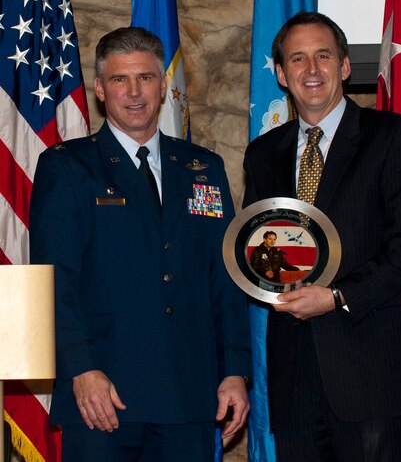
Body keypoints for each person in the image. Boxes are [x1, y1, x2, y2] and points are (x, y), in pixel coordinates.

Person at [30, 26, 251, 462]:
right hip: (104, 396)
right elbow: (56, 280)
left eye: (145, 78)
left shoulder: (203, 168)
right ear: (99, 89)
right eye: (119, 79)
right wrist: (81, 369)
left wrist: (235, 371)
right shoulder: (69, 168)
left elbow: (225, 280)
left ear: (164, 85)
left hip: (189, 394)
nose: (134, 92)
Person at [243, 11, 401, 462]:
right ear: (280, 73)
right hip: (295, 379)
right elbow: (258, 246)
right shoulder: (263, 154)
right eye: (297, 59)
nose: (311, 70)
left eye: (323, 56)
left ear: (345, 66)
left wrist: (336, 296)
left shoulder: (391, 137)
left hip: (374, 377)